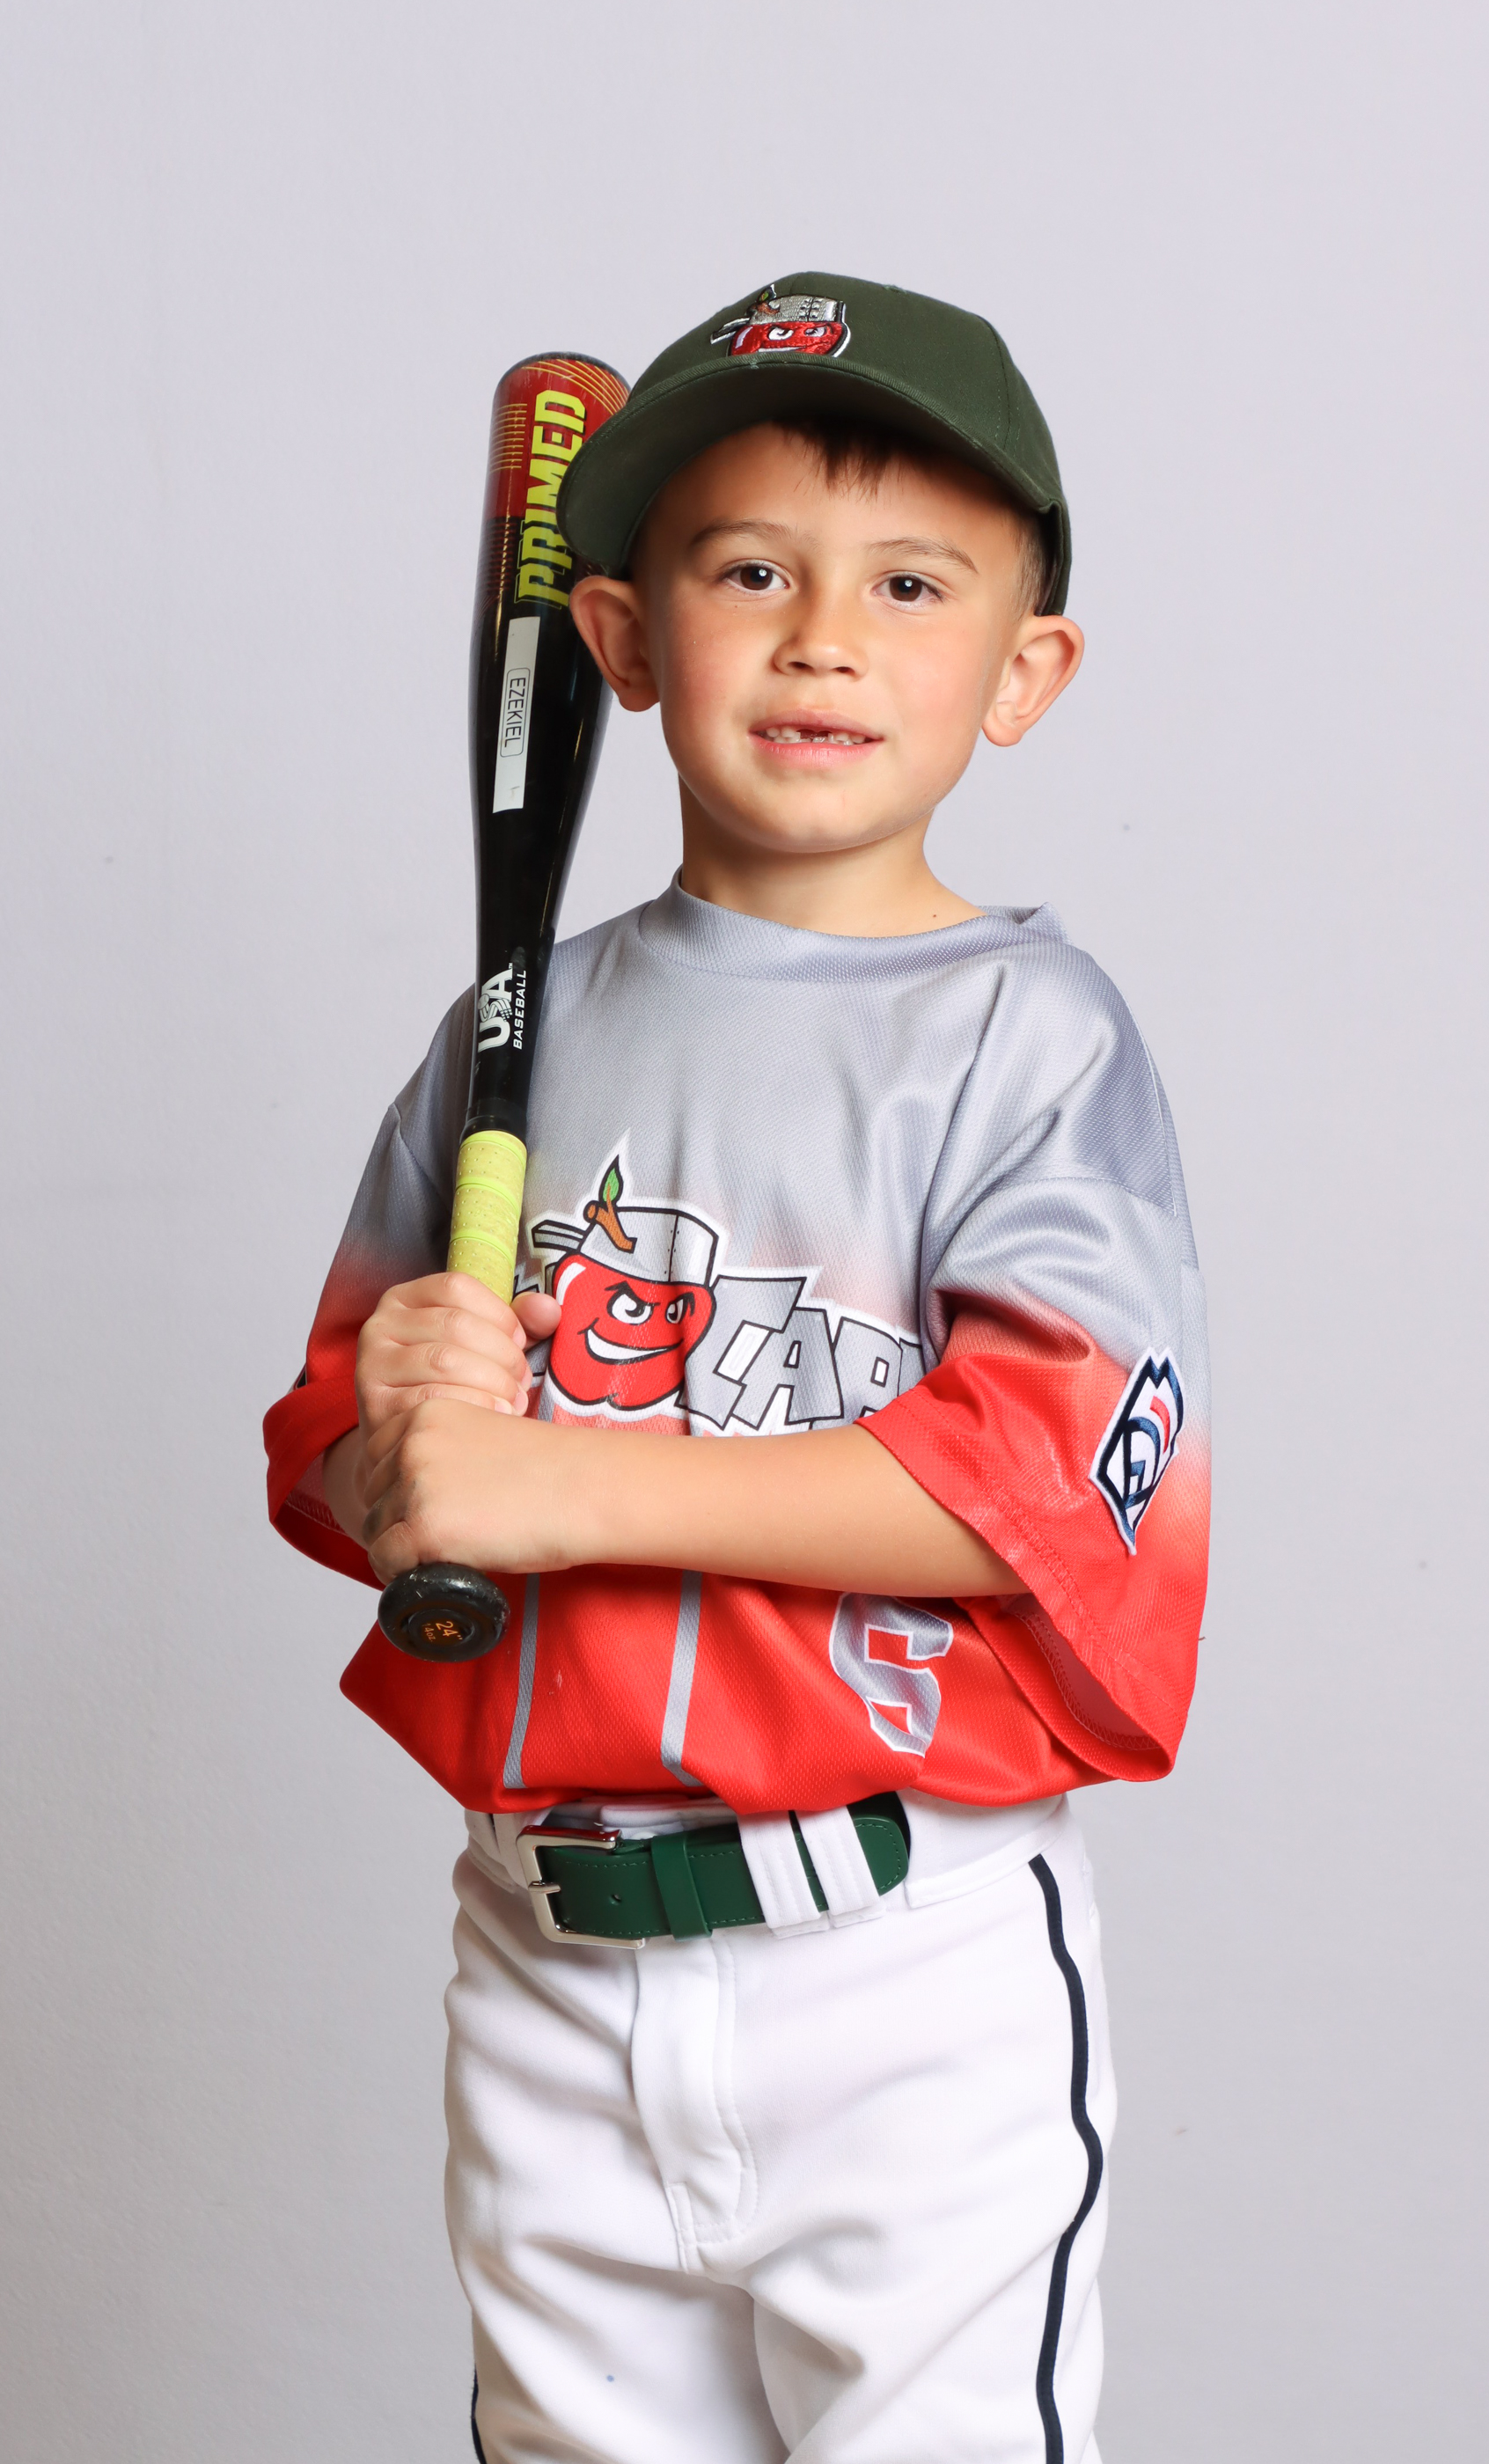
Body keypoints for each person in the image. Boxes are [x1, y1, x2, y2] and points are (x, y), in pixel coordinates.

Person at [264, 272, 1209, 2464]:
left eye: (910, 584)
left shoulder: (1029, 1038)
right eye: (749, 570)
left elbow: (1027, 1485)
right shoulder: (516, 1028)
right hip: (548, 1951)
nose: (822, 640)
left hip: (899, 1958)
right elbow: (341, 1465)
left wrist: (559, 1481)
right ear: (615, 637)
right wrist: (396, 1424)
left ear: (1025, 670)